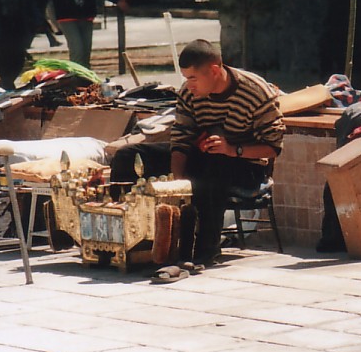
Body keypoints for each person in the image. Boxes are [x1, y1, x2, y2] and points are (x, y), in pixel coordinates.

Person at [110, 39, 285, 266]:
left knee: (213, 167)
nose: (189, 85)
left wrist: (232, 149)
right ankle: (130, 240)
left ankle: (204, 250)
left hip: (246, 164)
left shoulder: (255, 92)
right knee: (129, 156)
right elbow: (180, 140)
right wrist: (178, 182)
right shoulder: (188, 93)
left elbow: (273, 147)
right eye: (186, 78)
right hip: (203, 156)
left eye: (193, 78)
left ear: (214, 71)